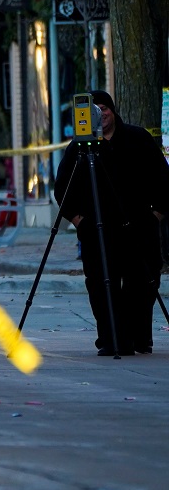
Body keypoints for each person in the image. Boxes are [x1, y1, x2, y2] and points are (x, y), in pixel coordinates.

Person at [54, 90, 169, 356]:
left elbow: (163, 181)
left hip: (139, 225)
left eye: (103, 108)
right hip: (97, 228)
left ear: (113, 111)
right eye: (93, 109)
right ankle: (111, 339)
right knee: (100, 284)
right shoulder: (80, 147)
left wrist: (156, 216)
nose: (99, 114)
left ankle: (139, 337)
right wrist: (78, 221)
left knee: (143, 282)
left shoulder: (138, 138)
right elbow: (62, 188)